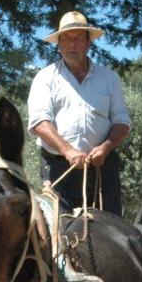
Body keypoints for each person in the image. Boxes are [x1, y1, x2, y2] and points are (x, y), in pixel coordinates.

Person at [27, 11, 131, 216]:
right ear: (59, 43)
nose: (72, 44)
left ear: (88, 43)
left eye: (77, 38)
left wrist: (105, 147)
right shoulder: (45, 78)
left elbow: (122, 121)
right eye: (66, 38)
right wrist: (68, 151)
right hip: (59, 167)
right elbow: (39, 122)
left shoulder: (108, 78)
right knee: (60, 231)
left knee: (112, 229)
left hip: (103, 168)